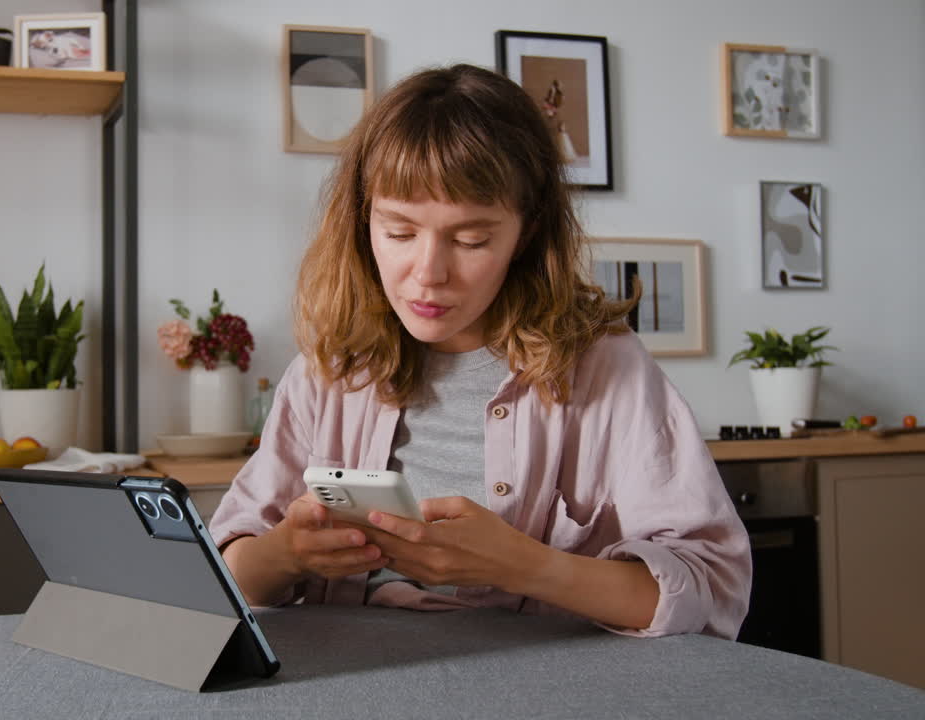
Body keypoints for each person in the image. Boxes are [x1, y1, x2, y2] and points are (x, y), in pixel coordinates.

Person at [209, 64, 750, 638]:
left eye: (472, 240)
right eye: (397, 232)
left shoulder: (604, 368)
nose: (428, 274)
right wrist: (285, 554)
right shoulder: (331, 372)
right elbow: (227, 574)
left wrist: (526, 566)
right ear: (362, 218)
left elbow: (711, 592)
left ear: (527, 232)